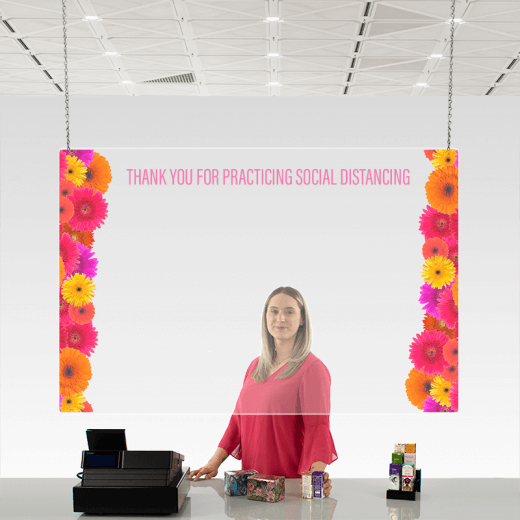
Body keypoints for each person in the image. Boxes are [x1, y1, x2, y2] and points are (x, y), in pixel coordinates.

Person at [190, 287, 337, 497]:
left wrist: (314, 483)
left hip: (286, 491)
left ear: (303, 319)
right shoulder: (254, 367)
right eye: (274, 311)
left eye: (289, 311)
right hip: (250, 488)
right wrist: (213, 463)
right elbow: (238, 421)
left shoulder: (312, 369)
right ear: (265, 317)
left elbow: (318, 429)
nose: (280, 318)